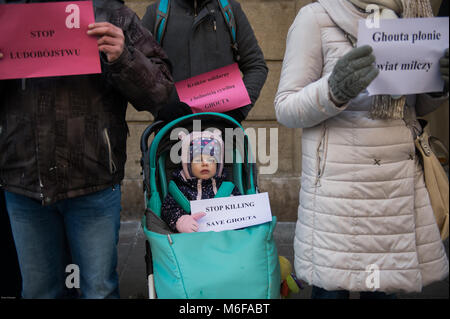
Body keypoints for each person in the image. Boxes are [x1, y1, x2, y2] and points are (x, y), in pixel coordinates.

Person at [274, 0, 449, 299]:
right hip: (338, 194)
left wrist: (438, 86)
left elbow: (414, 107)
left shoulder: (413, 16)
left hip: (393, 192)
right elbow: (285, 107)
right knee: (332, 292)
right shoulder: (315, 17)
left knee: (382, 292)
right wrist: (333, 90)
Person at [0, 0, 173, 298]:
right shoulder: (7, 13)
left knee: (98, 291)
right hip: (23, 184)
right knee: (39, 292)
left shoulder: (111, 12)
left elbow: (163, 95)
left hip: (92, 183)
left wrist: (124, 57)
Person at [141, 0, 268, 123]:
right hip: (172, 130)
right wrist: (160, 108)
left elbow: (256, 66)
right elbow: (137, 71)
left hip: (223, 130)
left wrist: (238, 111)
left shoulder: (230, 10)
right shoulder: (156, 13)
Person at [161, 129, 241, 233]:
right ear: (188, 166)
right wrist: (181, 221)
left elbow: (240, 206)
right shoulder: (181, 190)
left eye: (211, 160)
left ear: (218, 165)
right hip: (193, 239)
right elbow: (168, 210)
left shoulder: (227, 188)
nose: (205, 163)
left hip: (224, 237)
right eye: (198, 160)